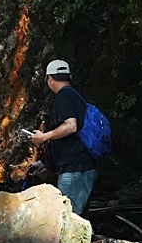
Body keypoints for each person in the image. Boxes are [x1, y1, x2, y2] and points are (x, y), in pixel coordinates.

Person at [27, 59, 96, 214]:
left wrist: (44, 137)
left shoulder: (63, 96)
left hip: (74, 168)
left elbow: (71, 126)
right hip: (83, 165)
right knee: (80, 220)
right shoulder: (76, 96)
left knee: (68, 220)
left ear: (50, 79)